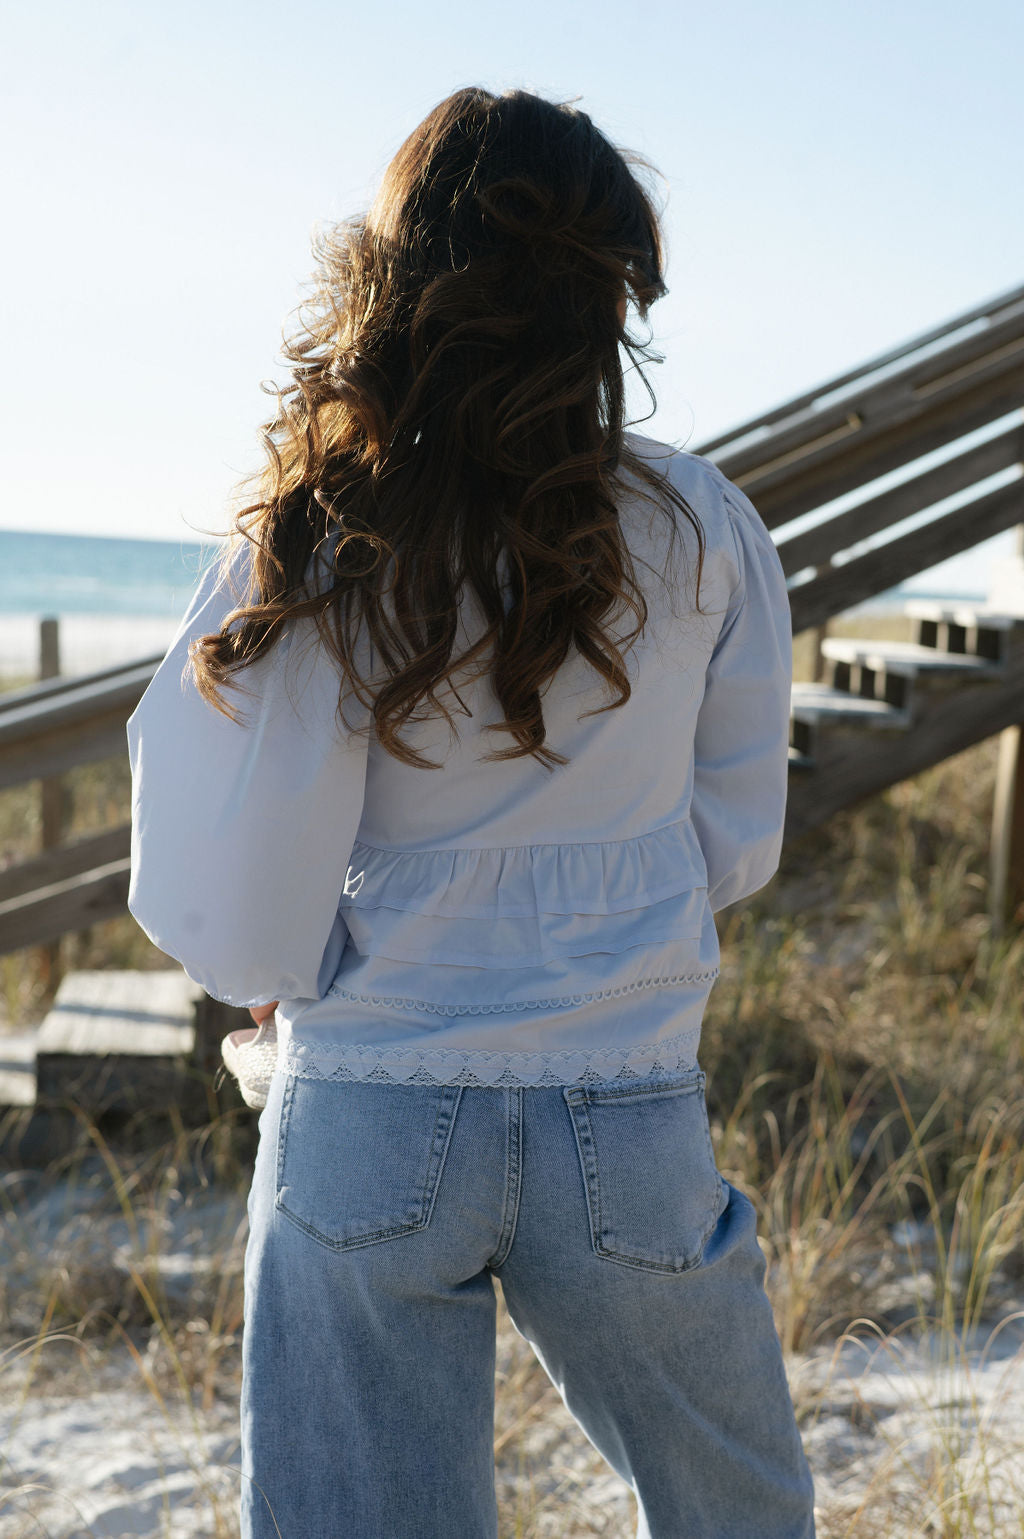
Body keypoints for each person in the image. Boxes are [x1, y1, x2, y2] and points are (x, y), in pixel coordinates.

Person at [125, 85, 816, 1539]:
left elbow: (237, 894)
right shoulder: (702, 526)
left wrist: (282, 986)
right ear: (610, 291)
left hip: (370, 1109)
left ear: (394, 285)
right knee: (738, 1509)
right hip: (622, 1106)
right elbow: (737, 841)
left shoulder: (323, 538)